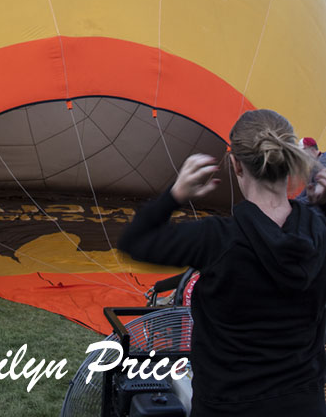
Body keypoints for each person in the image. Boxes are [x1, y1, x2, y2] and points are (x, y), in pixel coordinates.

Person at [118, 109, 326, 417]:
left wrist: (175, 195)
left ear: (236, 164)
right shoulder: (319, 229)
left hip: (226, 407)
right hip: (304, 405)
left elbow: (135, 241)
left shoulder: (215, 239)